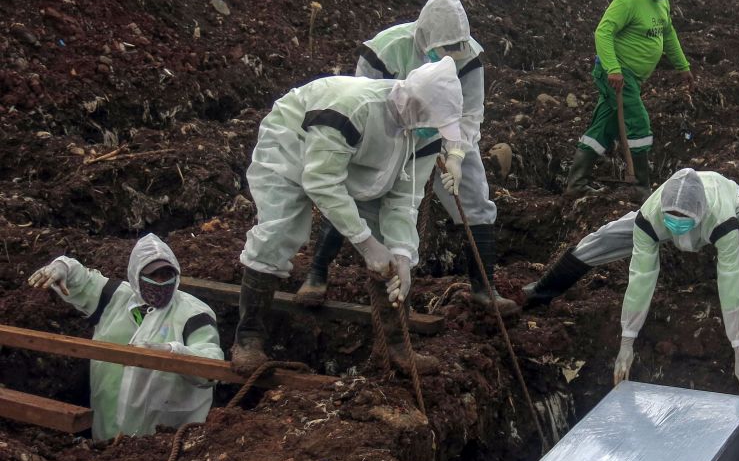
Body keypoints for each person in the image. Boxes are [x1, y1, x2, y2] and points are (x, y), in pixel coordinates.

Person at [231, 58, 464, 375]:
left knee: (389, 243)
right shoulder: (353, 108)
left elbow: (403, 199)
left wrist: (403, 254)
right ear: (414, 102)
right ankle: (248, 338)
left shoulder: (423, 133)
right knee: (278, 232)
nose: (435, 130)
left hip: (361, 162)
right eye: (434, 121)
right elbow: (322, 182)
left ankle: (397, 348)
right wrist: (366, 244)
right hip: (291, 143)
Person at [294, 0, 519, 317]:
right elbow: (362, 100)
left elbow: (470, 113)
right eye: (442, 49)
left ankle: (484, 289)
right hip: (388, 133)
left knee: (475, 199)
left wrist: (455, 154)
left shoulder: (469, 58)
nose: (450, 56)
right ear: (423, 38)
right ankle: (317, 273)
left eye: (456, 50)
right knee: (359, 193)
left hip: (444, 133)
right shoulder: (385, 50)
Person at [524, 168, 739, 396]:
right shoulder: (650, 217)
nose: (676, 226)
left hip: (724, 199)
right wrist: (627, 342)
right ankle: (542, 290)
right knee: (602, 239)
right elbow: (641, 278)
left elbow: (730, 279)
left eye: (683, 222)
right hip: (661, 220)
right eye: (671, 218)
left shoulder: (722, 219)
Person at [27, 234, 223, 441]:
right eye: (152, 275)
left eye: (166, 274)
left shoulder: (193, 313)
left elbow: (211, 366)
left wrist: (173, 352)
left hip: (165, 440)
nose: (159, 282)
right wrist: (62, 266)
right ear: (136, 276)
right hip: (106, 431)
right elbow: (82, 279)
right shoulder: (114, 298)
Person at [563, 0, 694, 197]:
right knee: (639, 123)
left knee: (602, 128)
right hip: (617, 75)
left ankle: (576, 184)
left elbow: (668, 35)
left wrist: (682, 66)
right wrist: (613, 69)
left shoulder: (662, 2)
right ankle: (640, 186)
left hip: (633, 77)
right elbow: (603, 32)